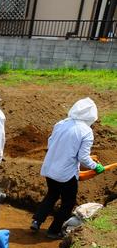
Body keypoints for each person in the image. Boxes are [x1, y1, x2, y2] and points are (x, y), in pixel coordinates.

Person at [31, 98, 103, 239]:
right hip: (66, 174)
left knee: (52, 195)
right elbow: (83, 157)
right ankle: (53, 231)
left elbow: (50, 142)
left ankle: (37, 221)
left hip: (50, 168)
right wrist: (95, 166)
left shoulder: (61, 123)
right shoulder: (86, 132)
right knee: (68, 202)